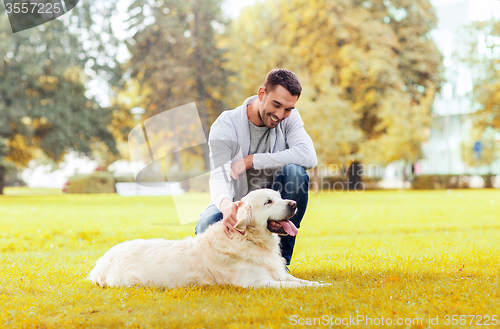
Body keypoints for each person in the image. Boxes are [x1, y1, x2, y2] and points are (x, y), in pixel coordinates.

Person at [195, 69, 317, 266]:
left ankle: (279, 264)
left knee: (296, 173)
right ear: (262, 94)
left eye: (288, 109)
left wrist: (252, 160)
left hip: (272, 203)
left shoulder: (290, 118)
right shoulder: (226, 124)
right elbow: (219, 175)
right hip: (236, 201)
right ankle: (237, 266)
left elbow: (309, 156)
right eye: (276, 105)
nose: (280, 115)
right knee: (206, 226)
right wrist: (227, 207)